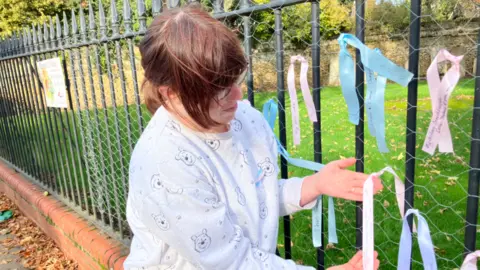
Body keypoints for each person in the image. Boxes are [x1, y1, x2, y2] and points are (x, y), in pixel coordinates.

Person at [124, 3, 383, 270]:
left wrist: (315, 184)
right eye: (218, 91)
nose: (238, 96)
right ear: (171, 93)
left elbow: (258, 197)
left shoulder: (244, 119)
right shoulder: (165, 164)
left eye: (235, 80)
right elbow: (232, 263)